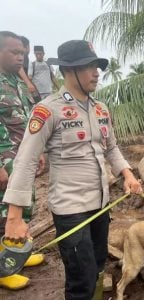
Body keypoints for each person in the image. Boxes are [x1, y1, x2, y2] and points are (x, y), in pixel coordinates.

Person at [3, 39, 143, 299]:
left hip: (100, 204)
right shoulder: (47, 111)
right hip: (71, 211)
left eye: (96, 66)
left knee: (99, 265)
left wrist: (127, 174)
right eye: (88, 66)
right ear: (69, 71)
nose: (96, 72)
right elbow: (25, 160)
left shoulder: (100, 109)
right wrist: (14, 217)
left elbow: (111, 148)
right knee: (81, 280)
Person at [0, 31, 45, 290]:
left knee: (23, 206)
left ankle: (16, 255)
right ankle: (3, 269)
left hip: (23, 157)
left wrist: (37, 153)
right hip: (5, 159)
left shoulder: (16, 81)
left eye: (22, 53)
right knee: (3, 213)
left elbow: (29, 121)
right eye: (14, 52)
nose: (20, 57)